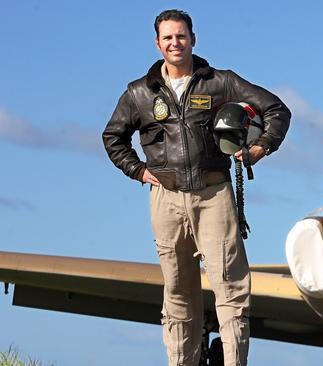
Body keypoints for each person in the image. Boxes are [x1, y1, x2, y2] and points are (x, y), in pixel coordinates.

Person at [102, 9, 291, 366]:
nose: (176, 43)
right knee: (177, 293)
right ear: (158, 44)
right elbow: (113, 137)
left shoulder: (221, 82)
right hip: (166, 199)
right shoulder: (139, 93)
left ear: (193, 39)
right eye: (168, 37)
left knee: (231, 290)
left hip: (214, 196)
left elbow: (277, 110)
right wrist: (138, 171)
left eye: (181, 36)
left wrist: (258, 149)